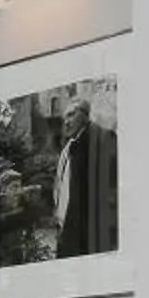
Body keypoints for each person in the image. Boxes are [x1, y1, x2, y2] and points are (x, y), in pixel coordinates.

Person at [51, 94, 119, 260]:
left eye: (71, 115)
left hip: (86, 231)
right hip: (67, 225)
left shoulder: (99, 139)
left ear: (85, 114)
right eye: (64, 118)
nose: (66, 122)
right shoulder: (69, 146)